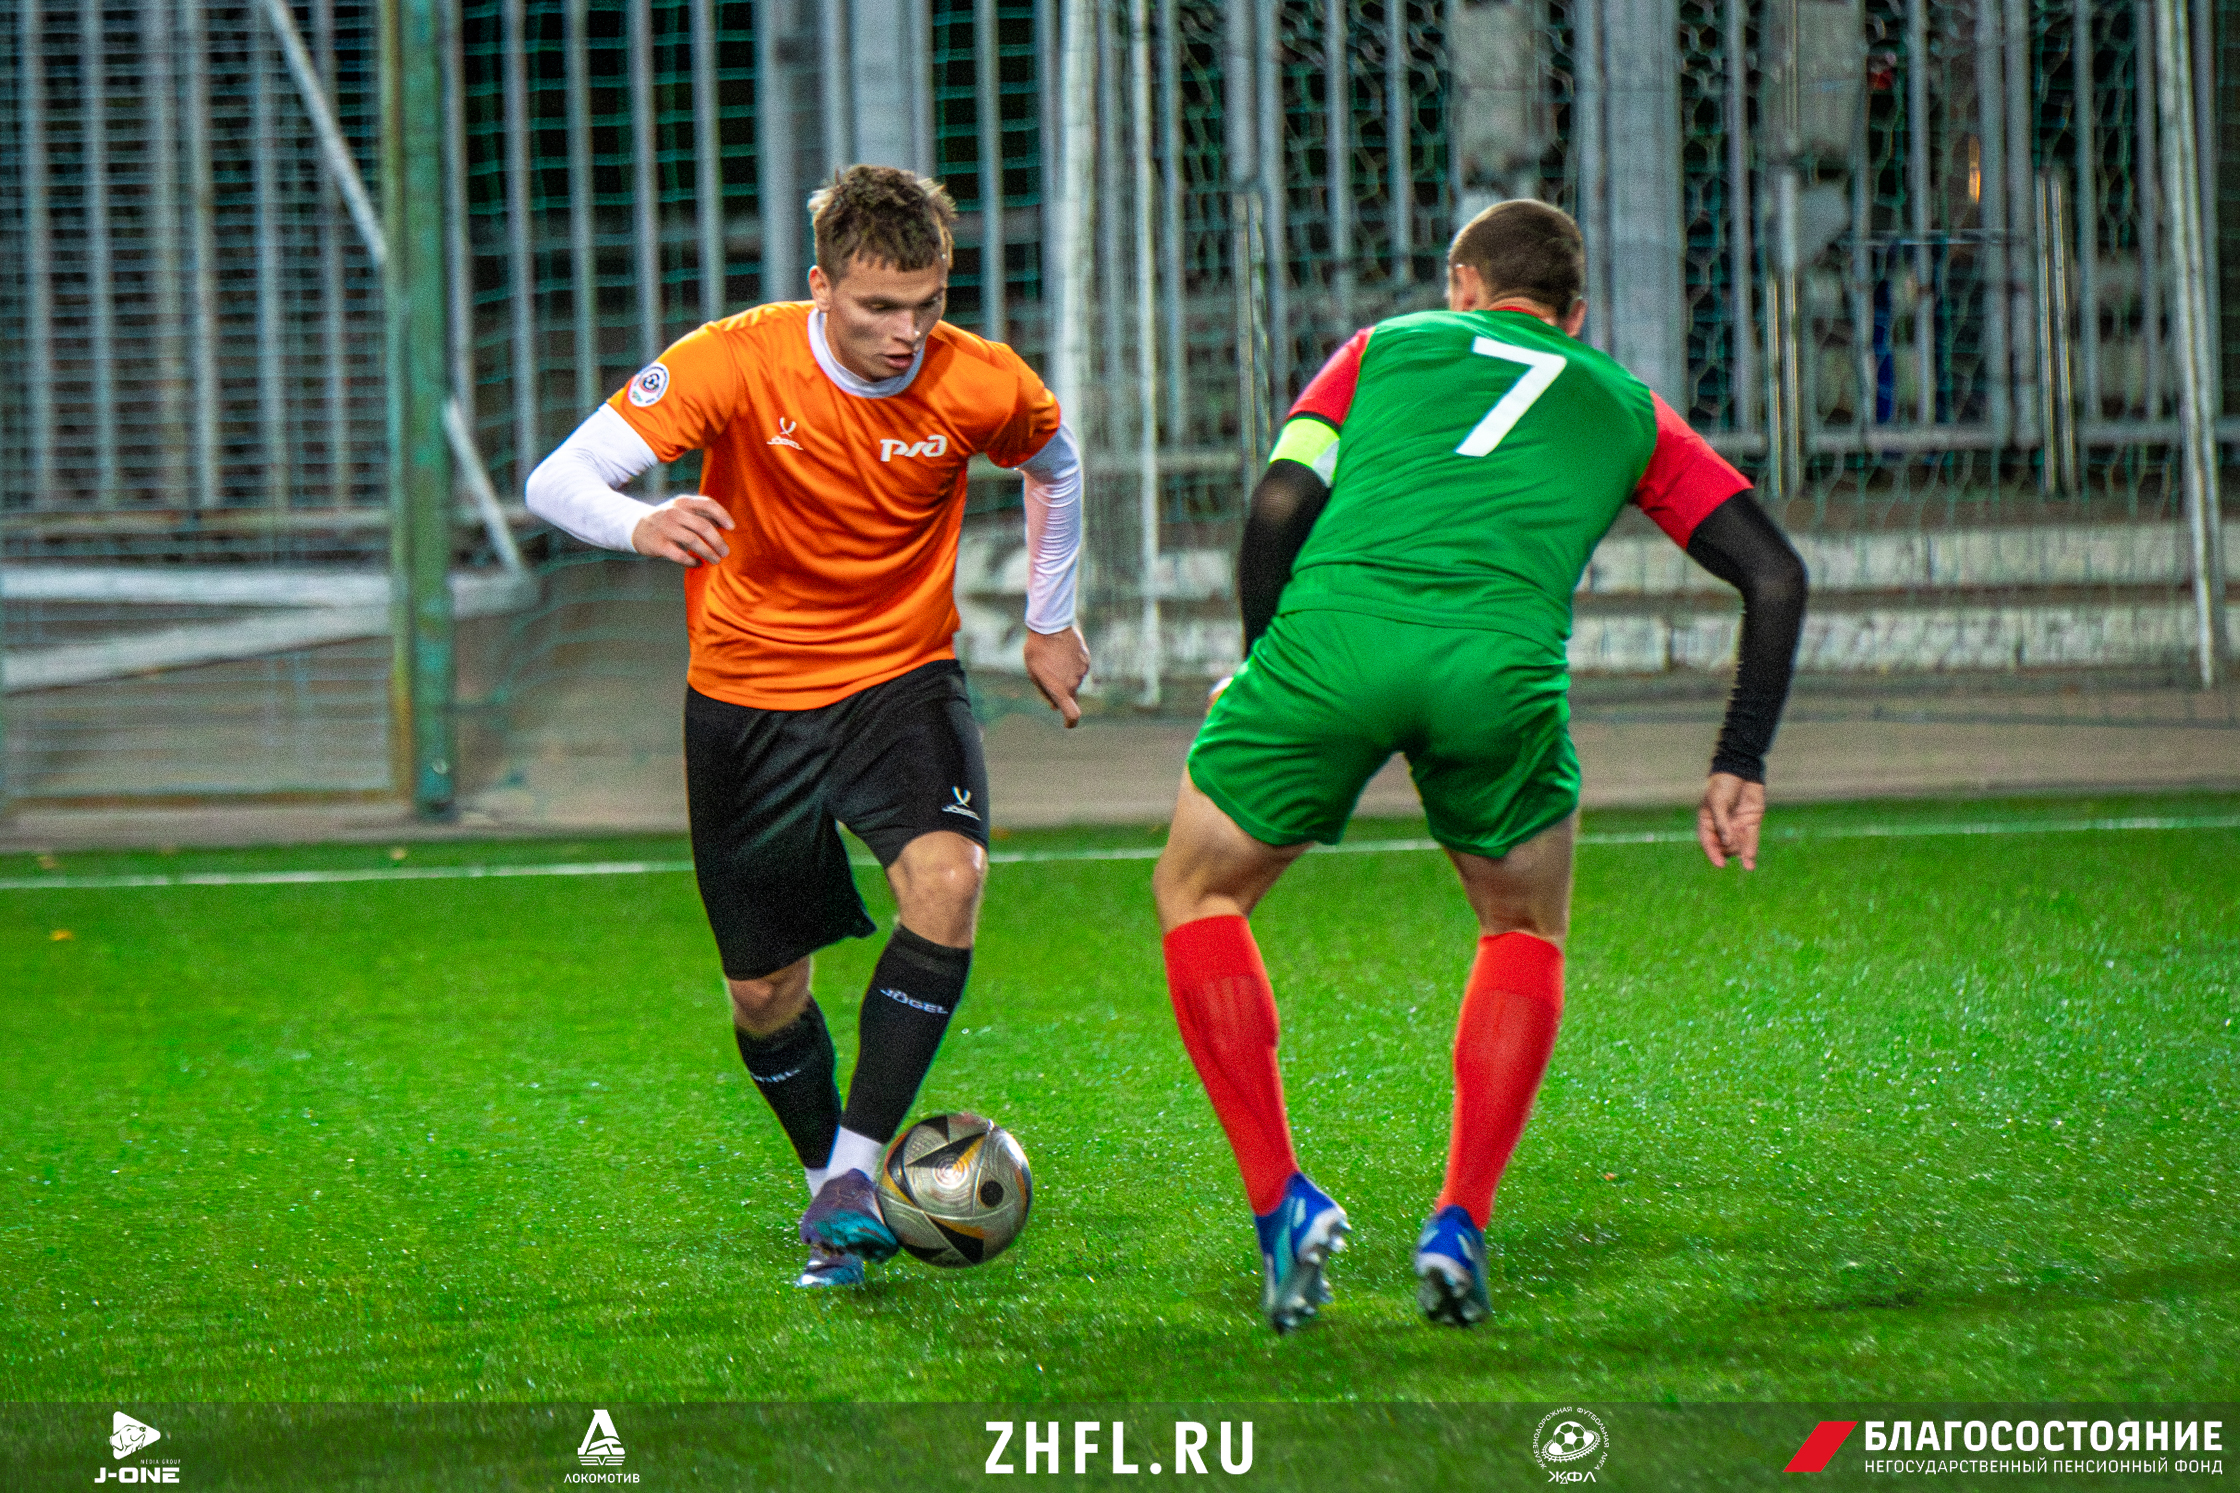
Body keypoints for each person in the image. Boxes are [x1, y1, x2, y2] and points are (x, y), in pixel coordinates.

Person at [1150, 198, 1808, 1333]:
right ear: (1574, 312)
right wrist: (1737, 757)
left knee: (1195, 889)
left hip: (1333, 645)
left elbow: (1278, 501)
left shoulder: (1381, 346)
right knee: (1520, 926)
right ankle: (1458, 1220)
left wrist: (1264, 664)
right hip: (1497, 672)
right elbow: (1776, 574)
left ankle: (1280, 1202)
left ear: (1463, 283)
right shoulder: (1629, 407)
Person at [525, 165, 1091, 1288]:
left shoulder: (981, 380)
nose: (906, 332)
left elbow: (1055, 467)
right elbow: (559, 477)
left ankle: (854, 1172)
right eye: (878, 306)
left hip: (900, 678)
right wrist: (641, 523)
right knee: (764, 993)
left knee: (951, 880)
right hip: (747, 696)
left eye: (927, 303)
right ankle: (827, 1182)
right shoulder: (735, 360)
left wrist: (1048, 619)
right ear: (819, 286)